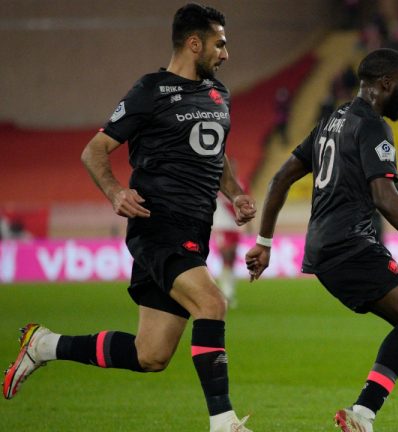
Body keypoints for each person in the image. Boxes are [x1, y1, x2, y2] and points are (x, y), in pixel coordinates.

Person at [3, 5, 256, 432]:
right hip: (157, 226)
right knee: (212, 303)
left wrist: (235, 194)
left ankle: (44, 345)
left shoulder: (218, 95)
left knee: (150, 355)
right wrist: (116, 192)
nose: (225, 53)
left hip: (195, 229)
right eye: (220, 43)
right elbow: (95, 151)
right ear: (194, 43)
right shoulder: (150, 91)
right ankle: (224, 422)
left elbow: (218, 155)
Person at [245, 48, 398, 432]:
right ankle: (364, 411)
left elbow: (279, 179)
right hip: (352, 245)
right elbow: (384, 197)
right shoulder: (373, 126)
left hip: (325, 251)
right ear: (386, 83)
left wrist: (264, 241)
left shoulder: (331, 121)